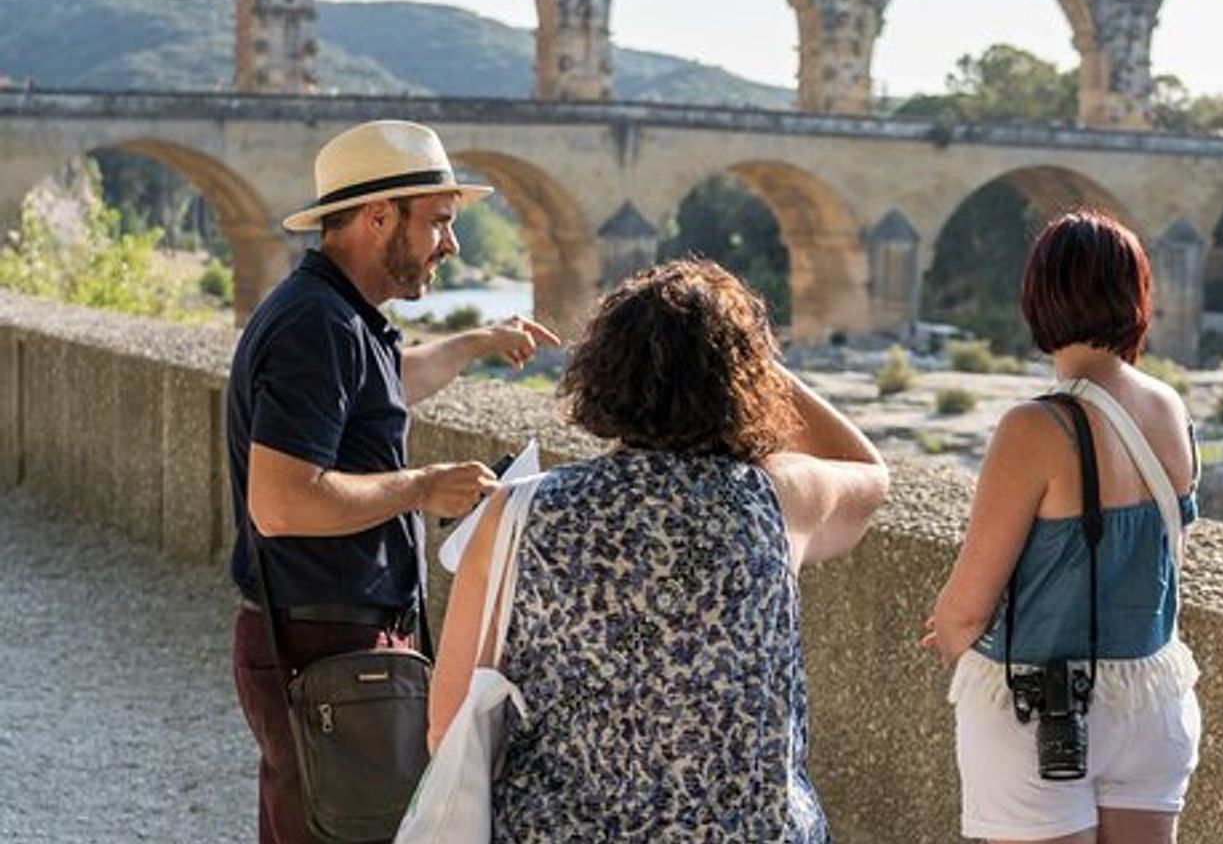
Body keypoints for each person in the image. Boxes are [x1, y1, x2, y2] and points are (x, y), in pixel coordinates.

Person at [428, 258, 890, 841]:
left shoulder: (517, 513)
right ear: (744, 384)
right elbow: (867, 474)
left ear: (599, 372)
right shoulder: (778, 500)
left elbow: (447, 724)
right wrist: (757, 363)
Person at [228, 119, 560, 844]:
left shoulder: (339, 314)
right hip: (325, 640)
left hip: (331, 632)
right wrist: (419, 487)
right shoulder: (317, 327)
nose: (453, 243)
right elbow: (281, 503)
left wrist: (475, 341)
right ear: (380, 216)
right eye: (439, 222)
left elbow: (386, 386)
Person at [923, 209, 1201, 844]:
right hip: (1152, 699)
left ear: (1039, 297)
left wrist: (948, 631)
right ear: (1136, 296)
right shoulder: (1169, 407)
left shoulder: (1035, 428)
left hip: (1038, 706)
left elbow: (967, 608)